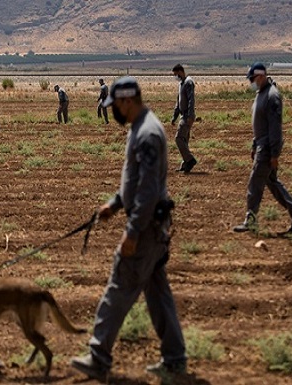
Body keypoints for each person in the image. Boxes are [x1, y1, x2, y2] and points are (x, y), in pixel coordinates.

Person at [71, 76, 187, 383]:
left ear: (126, 101)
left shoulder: (147, 134)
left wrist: (132, 232)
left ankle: (98, 357)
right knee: (158, 291)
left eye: (115, 106)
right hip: (153, 225)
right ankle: (175, 360)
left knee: (119, 286)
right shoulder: (141, 127)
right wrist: (115, 203)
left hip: (146, 229)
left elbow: (148, 191)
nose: (113, 112)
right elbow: (136, 184)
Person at [234, 63, 292, 234]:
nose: (250, 82)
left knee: (255, 183)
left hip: (268, 147)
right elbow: (260, 124)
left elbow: (275, 128)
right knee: (272, 182)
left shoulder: (272, 96)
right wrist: (254, 144)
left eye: (252, 79)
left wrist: (274, 154)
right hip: (261, 145)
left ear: (260, 76)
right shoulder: (261, 93)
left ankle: (251, 220)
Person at [171, 63, 197, 173]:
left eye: (176, 74)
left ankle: (190, 160)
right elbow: (178, 101)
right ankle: (185, 164)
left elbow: (191, 100)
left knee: (179, 138)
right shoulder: (181, 84)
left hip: (187, 116)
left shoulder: (188, 83)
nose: (175, 76)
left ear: (181, 72)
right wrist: (174, 116)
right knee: (184, 140)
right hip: (183, 115)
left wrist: (190, 115)